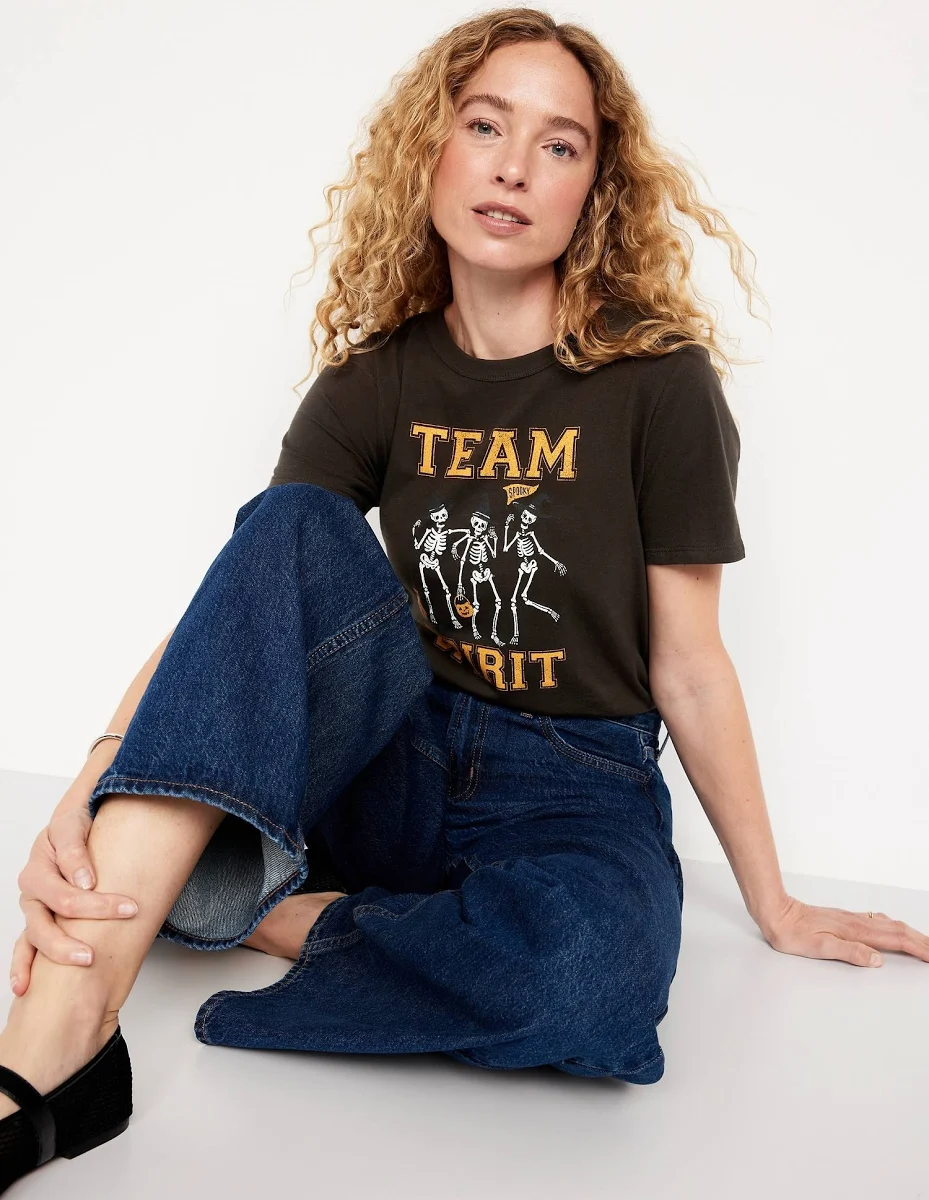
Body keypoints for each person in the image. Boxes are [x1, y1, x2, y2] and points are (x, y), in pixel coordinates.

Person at [4, 6, 928, 1189]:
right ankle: (56, 1042)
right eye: (484, 125)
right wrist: (90, 790)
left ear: (594, 188)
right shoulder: (375, 375)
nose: (512, 166)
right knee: (288, 520)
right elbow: (252, 603)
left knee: (591, 985)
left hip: (571, 781)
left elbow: (689, 664)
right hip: (392, 754)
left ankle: (268, 910)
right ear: (430, 149)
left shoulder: (657, 382)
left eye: (558, 143)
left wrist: (775, 904)